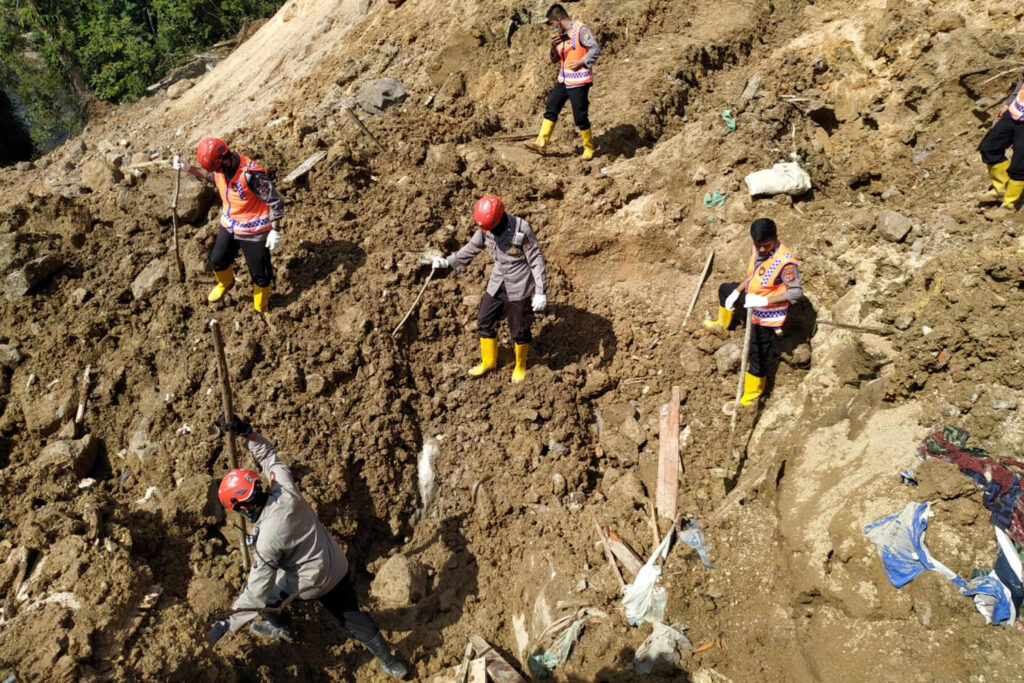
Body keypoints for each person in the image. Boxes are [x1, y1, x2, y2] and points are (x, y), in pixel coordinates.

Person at [205, 416, 407, 680]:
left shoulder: (267, 539)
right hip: (336, 562)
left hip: (312, 584)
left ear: (243, 508)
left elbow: (256, 592)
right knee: (352, 615)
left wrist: (227, 623)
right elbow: (270, 459)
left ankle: (284, 629)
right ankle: (390, 663)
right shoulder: (286, 490)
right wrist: (248, 433)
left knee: (268, 597)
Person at [432, 195, 547, 383]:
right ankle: (489, 362)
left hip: (519, 286)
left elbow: (536, 260)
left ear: (499, 218)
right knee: (484, 320)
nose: (487, 232)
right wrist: (448, 261)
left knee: (519, 330)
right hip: (497, 282)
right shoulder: (486, 229)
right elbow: (472, 247)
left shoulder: (521, 229)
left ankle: (520, 365)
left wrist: (540, 291)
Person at [172, 138, 283, 312]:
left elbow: (275, 201)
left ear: (226, 158)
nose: (218, 172)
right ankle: (225, 282)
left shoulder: (251, 175)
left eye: (218, 168)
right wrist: (189, 169)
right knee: (217, 260)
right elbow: (210, 176)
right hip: (230, 225)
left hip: (254, 230)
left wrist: (275, 230)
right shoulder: (220, 170)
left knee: (261, 274)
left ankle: (261, 306)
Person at [703, 218, 802, 406]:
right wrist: (736, 292)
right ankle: (721, 326)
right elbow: (752, 276)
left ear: (776, 238)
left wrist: (763, 301)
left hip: (767, 314)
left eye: (766, 245)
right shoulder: (756, 249)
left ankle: (750, 398)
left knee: (757, 355)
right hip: (751, 299)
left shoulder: (786, 262)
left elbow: (796, 293)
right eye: (759, 245)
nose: (762, 249)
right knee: (725, 290)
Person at [525, 4, 601, 160]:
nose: (552, 26)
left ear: (558, 19)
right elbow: (554, 59)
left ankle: (589, 147)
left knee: (580, 116)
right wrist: (553, 47)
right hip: (564, 79)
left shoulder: (580, 30)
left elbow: (595, 48)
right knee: (551, 107)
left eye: (552, 22)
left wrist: (581, 62)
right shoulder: (560, 34)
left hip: (580, 81)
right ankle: (541, 142)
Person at [978, 60, 1024, 219]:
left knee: (1020, 163)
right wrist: (1009, 102)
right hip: (1015, 112)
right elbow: (1022, 80)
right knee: (989, 147)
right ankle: (1001, 189)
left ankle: (1009, 205)